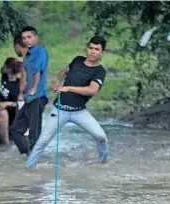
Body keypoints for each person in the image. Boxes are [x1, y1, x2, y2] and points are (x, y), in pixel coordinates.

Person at [26, 36, 110, 168]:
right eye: (91, 48)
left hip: (79, 112)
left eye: (97, 49)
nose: (93, 51)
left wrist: (68, 88)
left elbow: (92, 90)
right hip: (59, 110)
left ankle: (103, 165)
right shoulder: (77, 60)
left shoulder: (100, 71)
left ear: (102, 53)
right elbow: (65, 71)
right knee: (42, 142)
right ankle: (28, 169)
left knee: (101, 137)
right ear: (87, 48)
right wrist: (57, 82)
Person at [11, 26, 49, 156]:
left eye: (29, 37)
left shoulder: (41, 52)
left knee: (34, 131)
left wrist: (33, 88)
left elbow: (38, 71)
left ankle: (35, 159)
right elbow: (26, 75)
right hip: (29, 98)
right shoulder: (27, 56)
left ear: (36, 38)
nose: (27, 40)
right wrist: (22, 92)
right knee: (15, 129)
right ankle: (29, 154)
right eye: (24, 38)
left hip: (38, 96)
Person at [0, 57, 23, 127]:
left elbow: (19, 103)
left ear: (9, 69)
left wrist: (6, 103)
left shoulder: (17, 86)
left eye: (5, 65)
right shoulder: (5, 76)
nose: (3, 66)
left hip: (7, 116)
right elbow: (1, 70)